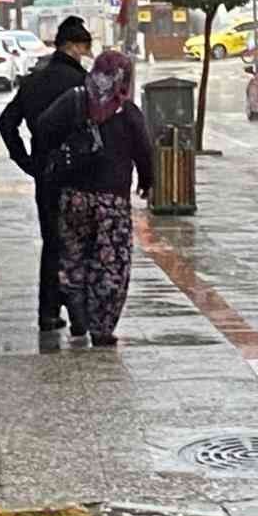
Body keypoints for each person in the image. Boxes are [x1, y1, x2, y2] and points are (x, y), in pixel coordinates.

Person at [36, 50, 152, 347]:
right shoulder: (127, 112)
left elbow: (43, 128)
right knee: (110, 264)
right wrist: (147, 182)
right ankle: (101, 327)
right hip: (111, 201)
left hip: (73, 197)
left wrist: (59, 155)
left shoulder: (73, 102)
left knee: (74, 257)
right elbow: (144, 151)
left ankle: (77, 310)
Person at [0, 16, 93, 333]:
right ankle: (80, 310)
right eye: (84, 47)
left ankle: (49, 311)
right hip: (80, 173)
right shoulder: (82, 83)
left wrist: (25, 160)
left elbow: (6, 123)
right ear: (75, 46)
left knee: (52, 241)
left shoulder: (33, 81)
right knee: (81, 242)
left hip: (46, 172)